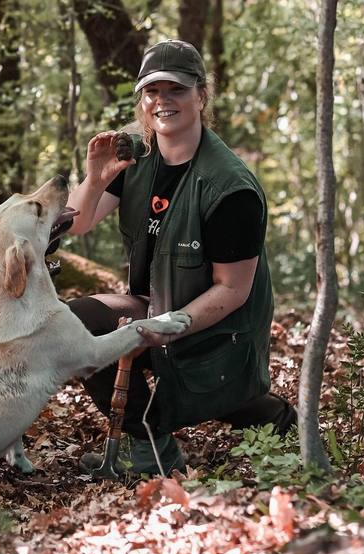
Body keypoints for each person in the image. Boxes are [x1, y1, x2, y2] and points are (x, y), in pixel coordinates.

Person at [66, 39, 296, 475]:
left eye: (176, 90)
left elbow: (232, 290)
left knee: (235, 403)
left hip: (219, 331)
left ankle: (281, 421)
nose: (161, 102)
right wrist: (96, 177)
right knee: (75, 322)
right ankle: (150, 447)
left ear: (201, 95)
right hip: (157, 308)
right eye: (153, 92)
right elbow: (77, 222)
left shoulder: (230, 188)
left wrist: (169, 326)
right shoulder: (136, 152)